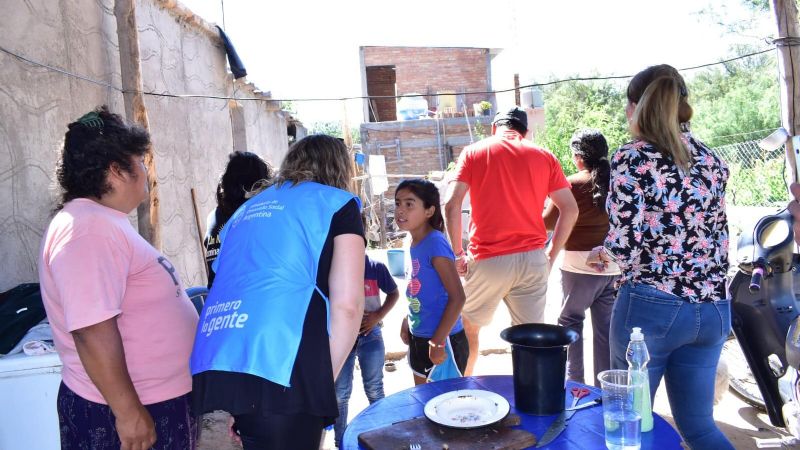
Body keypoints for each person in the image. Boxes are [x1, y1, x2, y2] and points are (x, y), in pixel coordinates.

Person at [38, 106, 199, 450]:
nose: (145, 171)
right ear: (116, 170)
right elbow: (90, 329)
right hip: (125, 413)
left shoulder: (101, 222)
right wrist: (128, 413)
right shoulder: (87, 229)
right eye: (140, 161)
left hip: (150, 401)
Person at [190, 134, 365, 450]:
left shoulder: (246, 211)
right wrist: (320, 383)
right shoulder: (336, 203)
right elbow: (348, 305)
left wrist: (236, 398)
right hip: (284, 360)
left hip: (221, 358)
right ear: (339, 168)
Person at [596, 64, 734, 449]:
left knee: (630, 427)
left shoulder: (633, 158)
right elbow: (711, 233)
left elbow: (624, 244)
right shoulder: (712, 160)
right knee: (700, 428)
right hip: (711, 309)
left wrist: (602, 255)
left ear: (636, 107)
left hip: (650, 310)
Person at [444, 106, 578, 375]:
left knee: (467, 326)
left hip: (488, 259)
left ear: (495, 128)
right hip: (532, 260)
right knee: (530, 338)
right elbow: (570, 209)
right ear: (525, 132)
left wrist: (458, 253)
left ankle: (464, 389)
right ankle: (531, 402)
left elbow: (451, 204)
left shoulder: (475, 151)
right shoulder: (544, 156)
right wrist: (551, 253)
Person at [543, 129, 620, 386]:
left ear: (578, 157)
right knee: (605, 331)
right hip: (613, 268)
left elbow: (547, 222)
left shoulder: (572, 184)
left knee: (570, 322)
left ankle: (575, 386)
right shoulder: (619, 182)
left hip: (578, 267)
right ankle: (605, 389)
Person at [396, 179, 468, 385]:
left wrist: (437, 342)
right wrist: (407, 320)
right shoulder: (412, 242)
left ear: (429, 211)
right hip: (419, 335)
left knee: (446, 407)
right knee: (423, 401)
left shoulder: (435, 243)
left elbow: (458, 297)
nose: (401, 210)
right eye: (398, 203)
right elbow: (420, 289)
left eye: (409, 204)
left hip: (443, 340)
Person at [333, 254, 399, 448]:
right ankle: (340, 442)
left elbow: (394, 293)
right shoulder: (333, 266)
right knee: (340, 394)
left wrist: (377, 316)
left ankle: (382, 438)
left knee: (374, 388)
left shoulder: (375, 267)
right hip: (343, 337)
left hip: (371, 335)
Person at [205, 151, 272, 287]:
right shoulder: (255, 215)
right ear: (256, 183)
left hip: (216, 297)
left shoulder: (215, 215)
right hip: (247, 296)